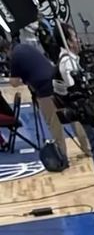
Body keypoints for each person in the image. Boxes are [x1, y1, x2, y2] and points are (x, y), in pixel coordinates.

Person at [57, 27, 94, 191]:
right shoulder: (67, 63)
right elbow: (74, 90)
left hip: (91, 109)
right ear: (68, 41)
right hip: (85, 110)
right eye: (74, 37)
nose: (78, 40)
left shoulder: (74, 60)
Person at [8, 39, 70, 167]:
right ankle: (87, 148)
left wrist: (24, 80)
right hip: (57, 82)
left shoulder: (15, 56)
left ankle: (62, 157)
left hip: (44, 89)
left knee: (54, 123)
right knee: (70, 116)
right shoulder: (26, 47)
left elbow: (14, 83)